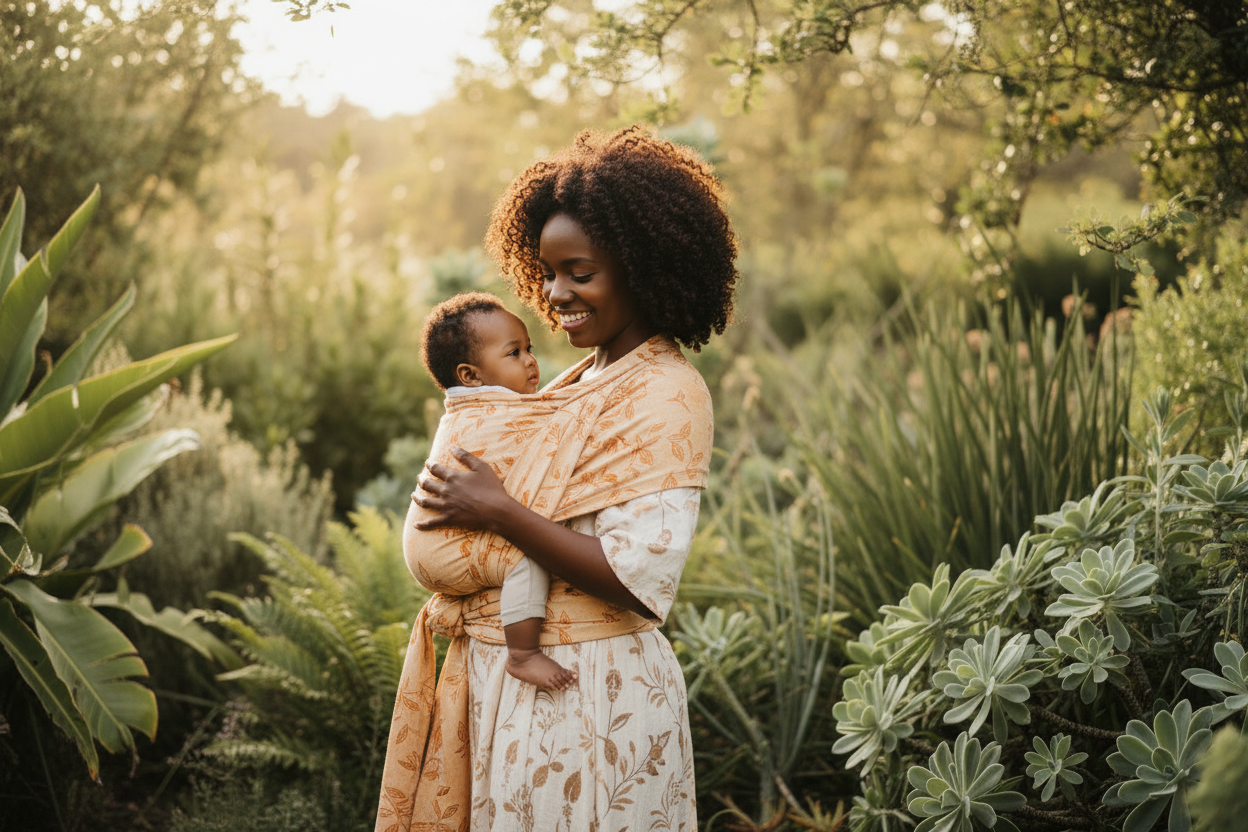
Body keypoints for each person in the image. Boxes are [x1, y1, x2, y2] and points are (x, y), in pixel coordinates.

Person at [376, 125, 738, 832]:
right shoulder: (584, 375)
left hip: (592, 691)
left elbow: (637, 576)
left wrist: (499, 512)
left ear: (640, 268)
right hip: (521, 687)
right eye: (547, 271)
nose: (555, 292)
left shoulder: (666, 391)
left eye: (580, 272)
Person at [418, 290, 577, 691]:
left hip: (430, 542)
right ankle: (522, 654)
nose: (530, 360)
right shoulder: (498, 412)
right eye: (514, 353)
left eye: (529, 348)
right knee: (527, 556)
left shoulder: (465, 411)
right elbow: (562, 420)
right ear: (470, 376)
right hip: (442, 547)